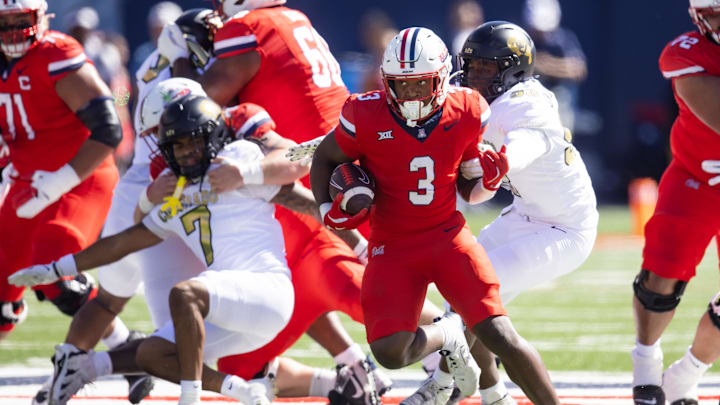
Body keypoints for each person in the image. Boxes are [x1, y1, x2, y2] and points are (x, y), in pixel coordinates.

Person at [158, 2, 417, 399]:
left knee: (336, 279)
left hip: (308, 170)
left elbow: (198, 100)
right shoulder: (293, 20)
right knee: (250, 350)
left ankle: (444, 344)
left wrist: (178, 57)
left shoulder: (249, 30)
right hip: (344, 162)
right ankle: (352, 367)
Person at [309, 26, 561, 405]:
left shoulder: (468, 110)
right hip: (391, 248)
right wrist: (329, 209)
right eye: (400, 85)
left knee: (500, 335)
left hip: (447, 238)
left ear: (441, 78)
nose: (409, 94)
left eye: (419, 84)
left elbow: (467, 189)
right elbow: (325, 158)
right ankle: (449, 335)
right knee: (390, 352)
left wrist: (489, 182)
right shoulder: (365, 113)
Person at [9, 94, 303, 405]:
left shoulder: (237, 157)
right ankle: (241, 390)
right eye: (177, 145)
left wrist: (247, 173)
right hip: (233, 308)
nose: (186, 152)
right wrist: (58, 268)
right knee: (152, 354)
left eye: (193, 141)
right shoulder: (174, 190)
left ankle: (188, 400)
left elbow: (301, 166)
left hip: (266, 289)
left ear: (212, 136)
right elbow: (125, 241)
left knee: (185, 294)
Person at [412, 21, 598, 405]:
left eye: (486, 68)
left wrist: (502, 165)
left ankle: (442, 387)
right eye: (473, 66)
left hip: (564, 230)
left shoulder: (526, 104)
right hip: (526, 213)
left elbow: (525, 141)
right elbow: (478, 192)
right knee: (458, 295)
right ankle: (494, 394)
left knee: (473, 296)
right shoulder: (486, 99)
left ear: (512, 71)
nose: (475, 75)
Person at [0, 0, 121, 344]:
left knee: (54, 275)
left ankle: (127, 350)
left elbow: (114, 113)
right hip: (24, 179)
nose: (11, 31)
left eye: (19, 20)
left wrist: (124, 105)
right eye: (4, 22)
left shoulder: (65, 53)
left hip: (78, 175)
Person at [631, 1, 720, 404]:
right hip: (696, 178)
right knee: (660, 281)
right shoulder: (685, 51)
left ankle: (684, 377)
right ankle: (645, 367)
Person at [522, 0, 586, 132]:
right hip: (529, 103)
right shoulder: (522, 38)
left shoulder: (564, 38)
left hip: (560, 102)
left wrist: (547, 65)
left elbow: (579, 70)